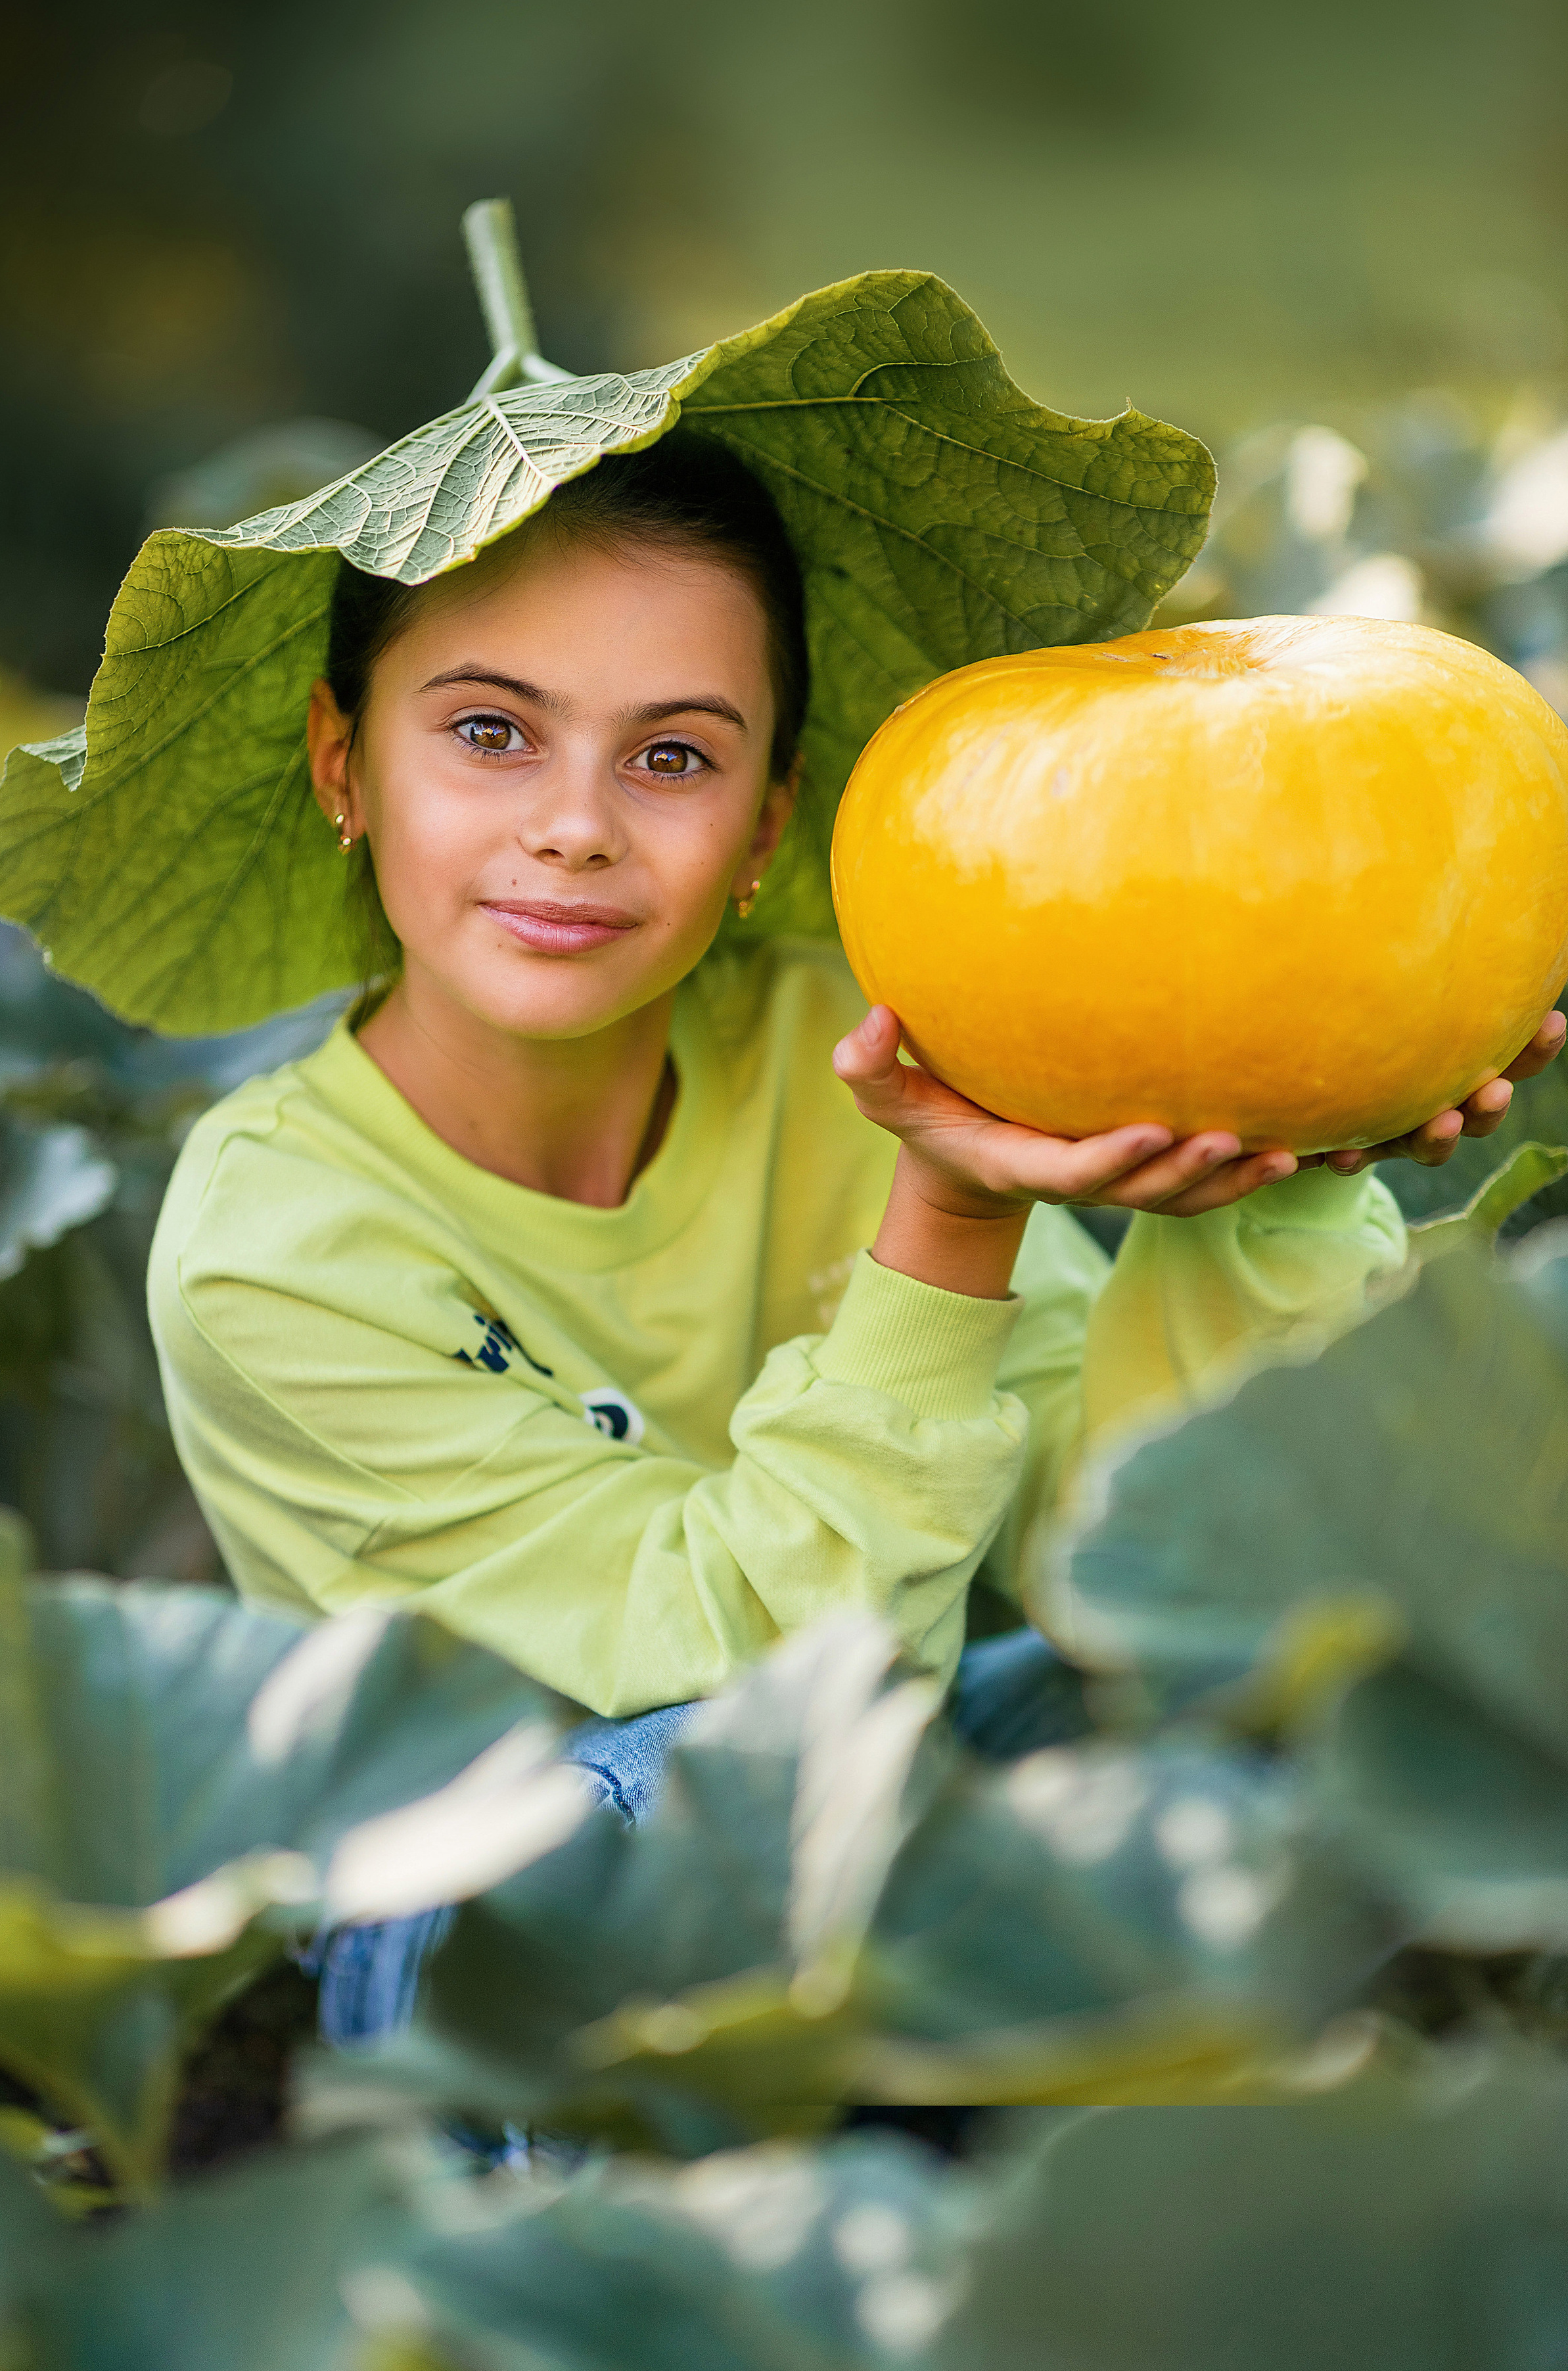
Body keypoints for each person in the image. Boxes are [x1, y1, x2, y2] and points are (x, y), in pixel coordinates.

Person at [144, 430, 1559, 1903]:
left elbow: (1112, 1528)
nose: (573, 829)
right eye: (490, 732)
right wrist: (948, 1216)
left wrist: (1280, 1151)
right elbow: (750, 1691)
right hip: (493, 1887)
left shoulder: (845, 1044)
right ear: (341, 763)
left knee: (1282, 1707)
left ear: (763, 826)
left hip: (898, 1774)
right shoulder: (274, 1236)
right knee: (653, 1804)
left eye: (672, 755)